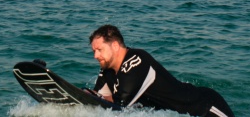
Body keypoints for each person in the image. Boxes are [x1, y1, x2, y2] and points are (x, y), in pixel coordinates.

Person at [89, 25, 233, 117]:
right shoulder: (107, 70)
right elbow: (98, 98)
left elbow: (119, 108)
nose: (95, 56)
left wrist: (97, 98)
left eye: (99, 50)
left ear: (115, 46)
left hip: (204, 108)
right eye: (94, 51)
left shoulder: (136, 62)